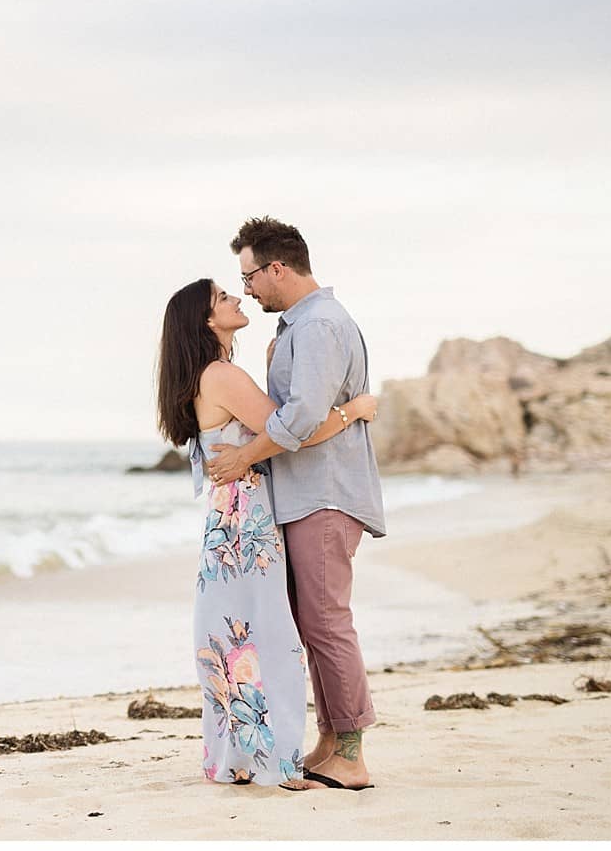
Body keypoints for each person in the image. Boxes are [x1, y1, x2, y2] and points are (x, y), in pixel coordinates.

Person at [156, 277, 376, 787]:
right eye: (222, 297)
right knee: (265, 635)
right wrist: (352, 411)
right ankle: (273, 762)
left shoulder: (215, 374)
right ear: (207, 320)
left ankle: (241, 758)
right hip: (245, 526)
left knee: (242, 634)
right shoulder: (222, 375)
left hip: (232, 522)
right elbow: (290, 431)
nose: (235, 296)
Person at [206, 216, 386, 793]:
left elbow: (301, 417)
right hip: (305, 494)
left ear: (277, 268)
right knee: (312, 621)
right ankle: (332, 744)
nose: (248, 287)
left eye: (250, 275)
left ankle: (352, 753)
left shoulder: (317, 326)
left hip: (324, 493)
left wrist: (243, 457)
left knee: (327, 621)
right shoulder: (298, 326)